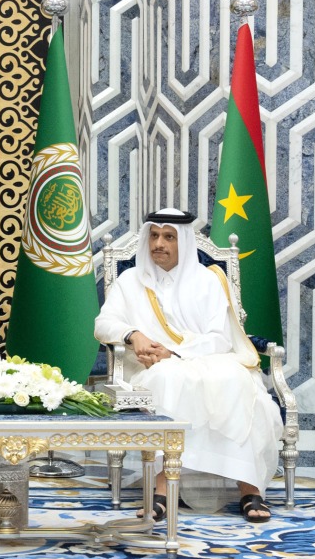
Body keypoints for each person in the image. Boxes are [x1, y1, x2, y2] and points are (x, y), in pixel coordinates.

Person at [94, 208, 283, 523]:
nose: (159, 244)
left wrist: (174, 352)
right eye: (154, 236)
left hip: (206, 360)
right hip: (149, 368)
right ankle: (162, 491)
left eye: (169, 237)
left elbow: (219, 337)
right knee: (169, 378)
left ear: (183, 241)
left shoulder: (208, 281)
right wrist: (133, 335)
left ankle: (249, 490)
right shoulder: (130, 280)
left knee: (235, 380)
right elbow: (103, 324)